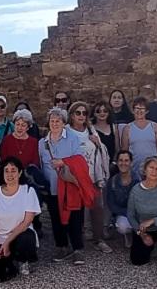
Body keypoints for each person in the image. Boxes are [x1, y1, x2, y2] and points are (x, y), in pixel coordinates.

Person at [39, 107, 87, 264]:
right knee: (56, 218)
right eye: (52, 121)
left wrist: (63, 162)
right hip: (52, 187)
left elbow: (80, 160)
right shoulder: (42, 143)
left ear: (64, 122)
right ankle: (61, 246)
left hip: (70, 186)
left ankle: (78, 249)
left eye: (58, 121)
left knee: (75, 217)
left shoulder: (72, 138)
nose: (54, 123)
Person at [0, 157, 41, 280]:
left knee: (26, 239)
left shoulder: (28, 191)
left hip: (19, 235)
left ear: (20, 172)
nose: (9, 174)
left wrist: (7, 242)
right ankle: (8, 261)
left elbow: (27, 221)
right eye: (6, 171)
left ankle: (22, 260)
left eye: (13, 170)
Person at [67, 101, 112, 254]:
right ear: (72, 115)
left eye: (84, 113)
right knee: (75, 210)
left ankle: (98, 239)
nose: (81, 116)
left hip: (92, 175)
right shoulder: (66, 131)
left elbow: (102, 151)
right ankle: (76, 244)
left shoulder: (91, 130)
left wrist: (98, 144)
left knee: (97, 208)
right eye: (78, 113)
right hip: (73, 177)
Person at [121, 97, 157, 178]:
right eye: (137, 108)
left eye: (142, 108)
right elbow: (125, 151)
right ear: (133, 110)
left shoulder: (155, 126)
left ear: (147, 111)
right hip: (134, 169)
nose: (139, 111)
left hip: (153, 169)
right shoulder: (127, 128)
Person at [106, 150, 138, 248]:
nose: (123, 163)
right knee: (122, 226)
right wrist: (128, 213)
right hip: (123, 214)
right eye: (120, 160)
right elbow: (112, 205)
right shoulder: (112, 182)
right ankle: (128, 235)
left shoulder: (138, 180)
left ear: (131, 163)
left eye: (126, 160)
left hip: (139, 214)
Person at [92, 101, 117, 165]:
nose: (102, 113)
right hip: (96, 164)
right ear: (94, 113)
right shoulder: (91, 129)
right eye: (98, 111)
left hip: (112, 165)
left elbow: (117, 148)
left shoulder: (113, 127)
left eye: (105, 111)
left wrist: (114, 163)